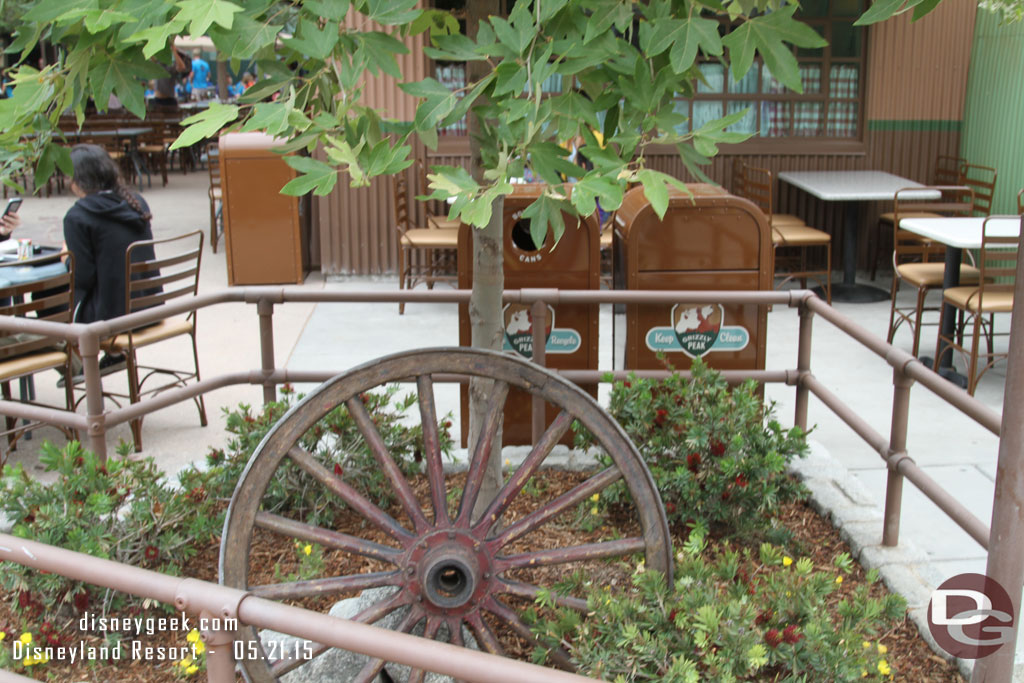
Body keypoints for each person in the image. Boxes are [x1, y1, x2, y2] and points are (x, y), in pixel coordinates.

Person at [63, 144, 159, 376]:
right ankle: (111, 356)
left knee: (50, 299)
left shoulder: (78, 216)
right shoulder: (136, 202)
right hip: (149, 308)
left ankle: (78, 367)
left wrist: (66, 258)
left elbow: (82, 278)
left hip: (110, 319)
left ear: (76, 180)